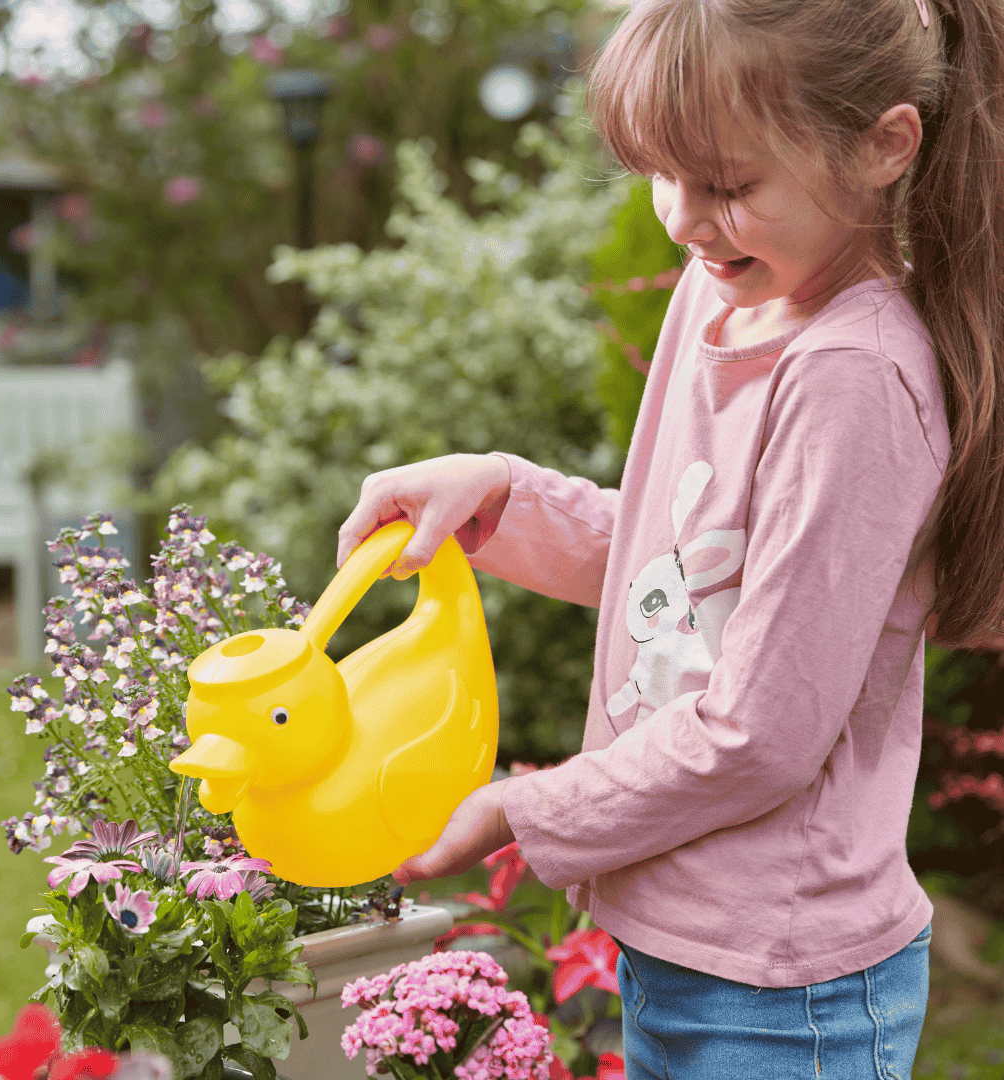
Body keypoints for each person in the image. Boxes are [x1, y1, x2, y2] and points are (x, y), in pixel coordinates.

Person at [336, 0, 1004, 1075]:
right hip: (683, 950)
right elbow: (688, 573)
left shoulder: (853, 381)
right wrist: (501, 497)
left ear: (884, 146)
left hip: (789, 992)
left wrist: (520, 807)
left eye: (729, 187)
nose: (683, 220)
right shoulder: (726, 288)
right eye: (660, 174)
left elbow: (762, 733)